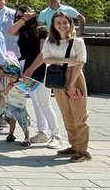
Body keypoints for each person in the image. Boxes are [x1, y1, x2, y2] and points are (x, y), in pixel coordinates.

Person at [42, 11, 90, 162]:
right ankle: (74, 145)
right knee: (66, 114)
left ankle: (83, 151)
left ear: (70, 24)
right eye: (58, 22)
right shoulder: (50, 41)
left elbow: (79, 63)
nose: (62, 25)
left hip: (74, 77)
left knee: (79, 114)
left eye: (65, 22)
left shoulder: (77, 42)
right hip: (57, 78)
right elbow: (46, 59)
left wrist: (71, 84)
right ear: (53, 25)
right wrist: (68, 60)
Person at [15, 6, 62, 149]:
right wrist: (23, 20)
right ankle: (43, 132)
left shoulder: (41, 31)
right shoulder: (22, 30)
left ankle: (56, 135)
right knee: (35, 101)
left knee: (45, 103)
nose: (19, 19)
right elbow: (10, 31)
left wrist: (31, 69)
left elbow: (43, 53)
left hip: (39, 68)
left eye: (22, 16)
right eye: (17, 17)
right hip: (25, 67)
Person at [2, 68, 32, 146]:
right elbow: (5, 93)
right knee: (12, 121)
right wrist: (8, 87)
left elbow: (24, 90)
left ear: (18, 76)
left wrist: (16, 86)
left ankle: (27, 137)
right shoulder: (8, 84)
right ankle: (11, 134)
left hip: (19, 106)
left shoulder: (21, 84)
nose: (11, 78)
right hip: (10, 105)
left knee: (23, 122)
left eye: (13, 76)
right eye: (9, 76)